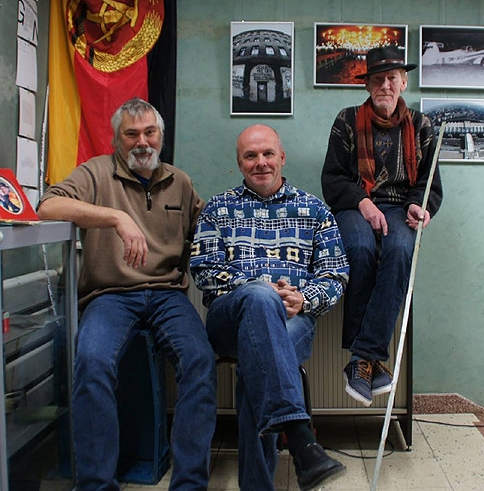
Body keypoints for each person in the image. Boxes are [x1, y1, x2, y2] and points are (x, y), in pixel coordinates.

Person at [37, 98, 217, 490]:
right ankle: (96, 485)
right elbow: (47, 206)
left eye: (150, 132)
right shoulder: (96, 172)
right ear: (116, 139)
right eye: (131, 134)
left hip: (168, 295)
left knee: (200, 362)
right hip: (109, 294)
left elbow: (210, 230)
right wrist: (117, 217)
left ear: (161, 136)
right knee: (91, 363)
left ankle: (189, 484)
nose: (142, 142)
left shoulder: (180, 181)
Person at [190, 124, 349, 491]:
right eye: (250, 156)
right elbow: (204, 270)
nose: (260, 162)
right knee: (260, 300)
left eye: (267, 154)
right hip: (228, 319)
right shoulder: (217, 208)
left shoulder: (314, 210)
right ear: (239, 163)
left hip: (294, 319)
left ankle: (268, 477)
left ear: (282, 158)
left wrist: (304, 298)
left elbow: (335, 274)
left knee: (258, 363)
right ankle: (300, 437)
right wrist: (258, 290)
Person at [321, 45, 443, 407]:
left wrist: (420, 206)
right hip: (355, 204)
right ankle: (371, 359)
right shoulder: (346, 120)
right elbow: (333, 179)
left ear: (403, 82)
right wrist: (363, 202)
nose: (385, 85)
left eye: (392, 78)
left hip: (400, 206)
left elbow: (429, 182)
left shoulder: (422, 126)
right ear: (367, 84)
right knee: (360, 247)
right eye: (377, 79)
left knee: (401, 248)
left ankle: (362, 359)